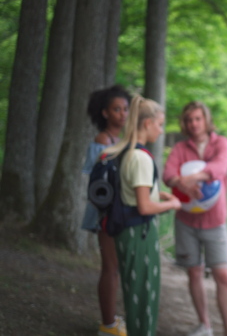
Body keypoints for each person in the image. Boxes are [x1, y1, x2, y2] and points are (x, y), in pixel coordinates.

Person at [102, 95, 182, 336]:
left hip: (131, 234)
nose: (160, 130)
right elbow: (144, 206)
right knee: (144, 297)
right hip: (139, 235)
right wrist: (173, 204)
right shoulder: (141, 158)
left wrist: (162, 196)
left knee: (135, 293)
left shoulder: (128, 153)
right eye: (159, 124)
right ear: (147, 124)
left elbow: (138, 195)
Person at [163, 101, 227, 336]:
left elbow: (219, 168)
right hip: (186, 220)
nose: (193, 124)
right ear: (184, 123)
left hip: (215, 220)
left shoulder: (221, 143)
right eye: (189, 120)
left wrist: (190, 178)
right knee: (194, 272)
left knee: (223, 274)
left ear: (206, 120)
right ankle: (205, 325)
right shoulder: (180, 148)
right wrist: (180, 182)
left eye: (198, 118)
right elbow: (168, 173)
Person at [81, 85, 131, 336]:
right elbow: (97, 183)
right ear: (104, 113)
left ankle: (111, 319)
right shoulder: (103, 141)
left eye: (125, 109)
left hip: (120, 213)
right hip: (106, 214)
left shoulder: (122, 139)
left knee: (116, 267)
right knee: (110, 267)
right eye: (116, 109)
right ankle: (107, 325)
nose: (122, 114)